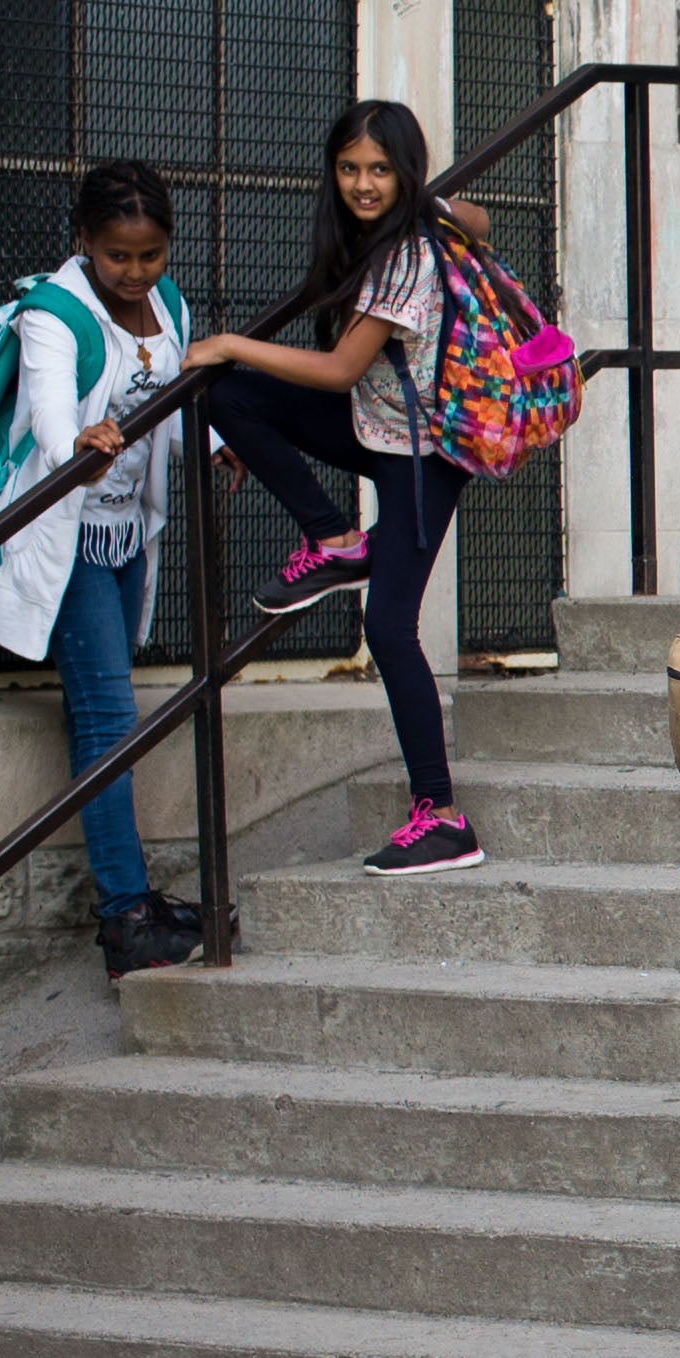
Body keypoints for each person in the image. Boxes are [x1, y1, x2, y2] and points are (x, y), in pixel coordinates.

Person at [183, 101, 487, 877]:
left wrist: (224, 342)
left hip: (423, 457)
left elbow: (338, 369)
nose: (362, 184)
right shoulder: (403, 227)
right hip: (375, 427)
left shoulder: (405, 256)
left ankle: (444, 817)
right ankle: (333, 538)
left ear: (404, 173)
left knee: (389, 630)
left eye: (380, 170)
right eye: (350, 168)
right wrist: (439, 203)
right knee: (234, 399)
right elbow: (477, 219)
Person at [0, 161, 201, 972]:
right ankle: (124, 914)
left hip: (127, 529)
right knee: (106, 720)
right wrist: (81, 449)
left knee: (106, 714)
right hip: (67, 534)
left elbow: (169, 400)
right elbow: (58, 414)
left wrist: (219, 442)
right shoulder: (54, 312)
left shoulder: (168, 305)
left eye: (151, 255)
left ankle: (131, 898)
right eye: (118, 257)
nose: (136, 274)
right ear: (85, 244)